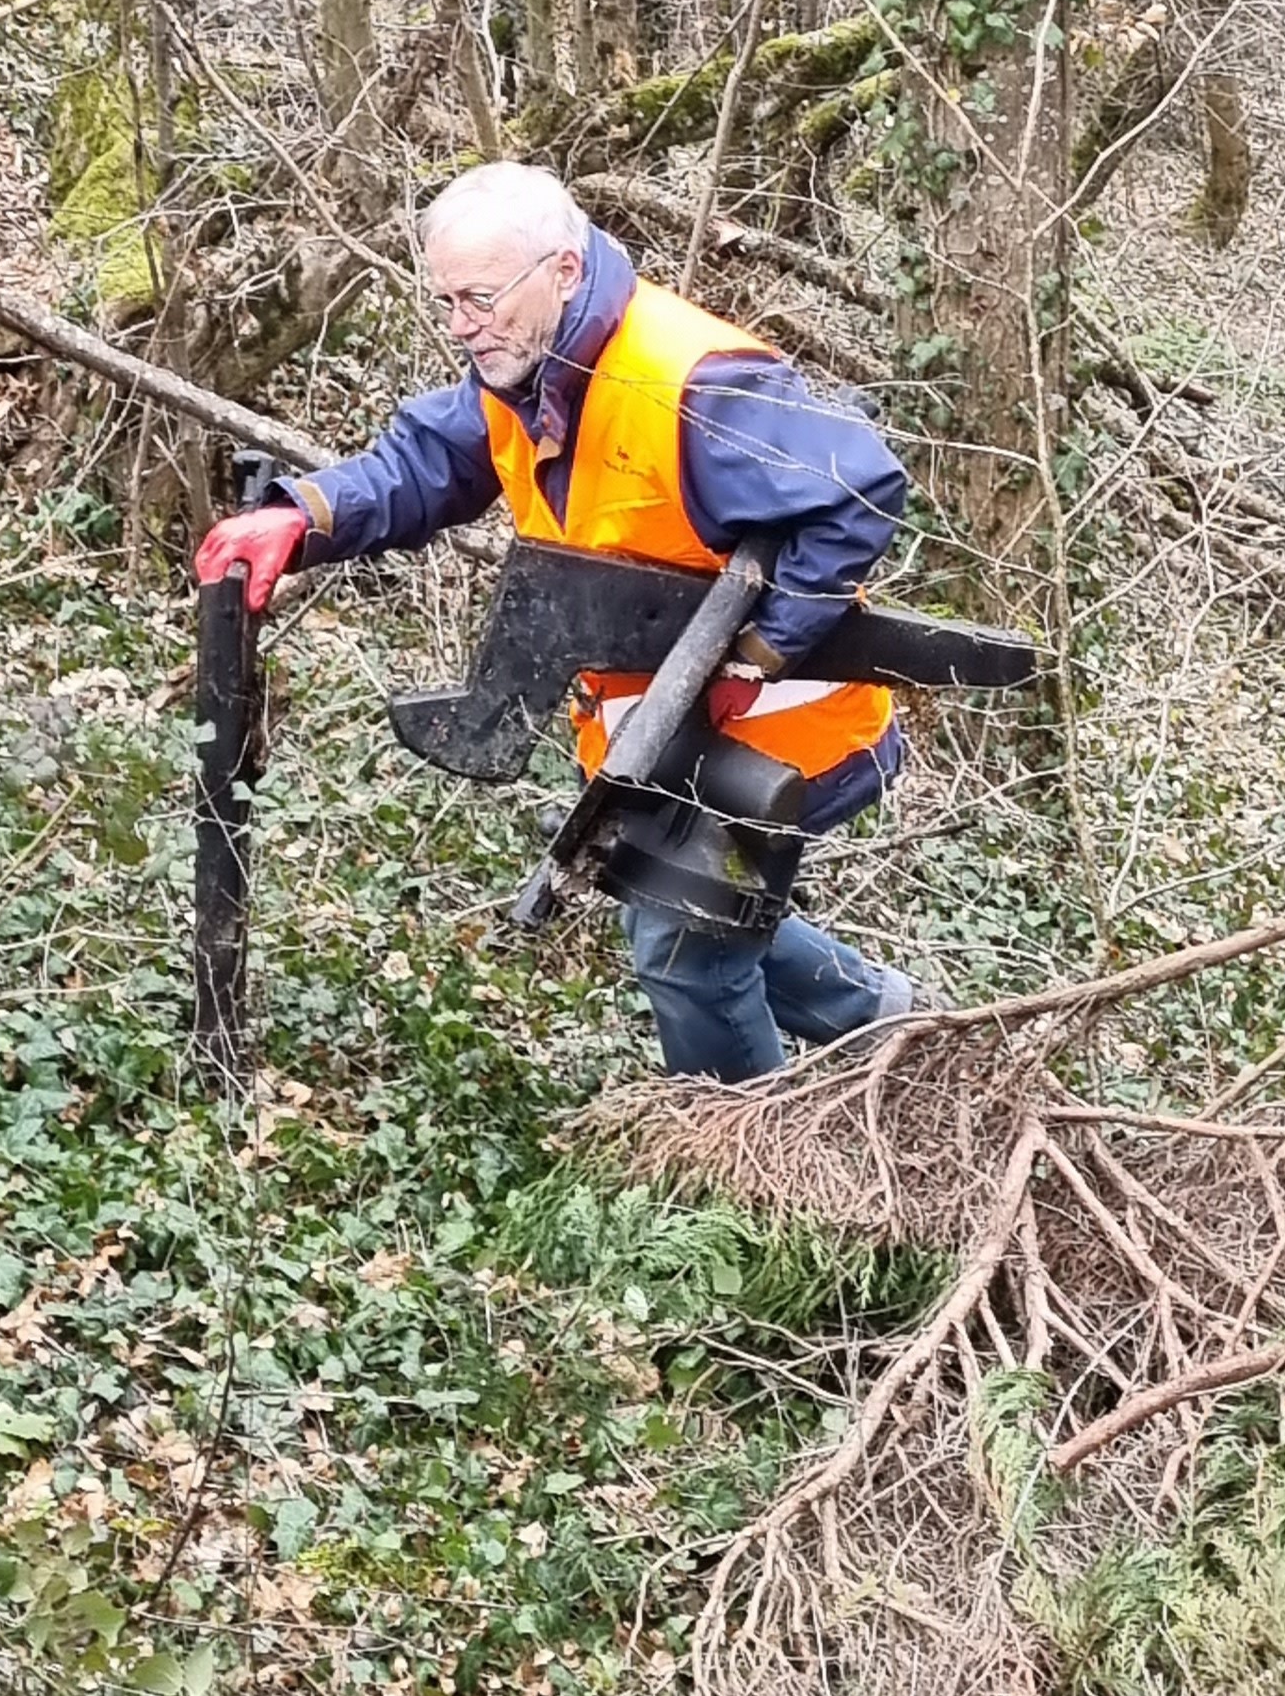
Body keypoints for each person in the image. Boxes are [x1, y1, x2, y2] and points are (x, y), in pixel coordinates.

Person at [195, 162, 916, 1082]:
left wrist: (765, 649)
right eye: (446, 300)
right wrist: (305, 515)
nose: (462, 324)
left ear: (564, 273)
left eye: (481, 298)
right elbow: (428, 463)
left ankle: (754, 1174)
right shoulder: (526, 373)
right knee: (682, 905)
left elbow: (858, 490)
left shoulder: (692, 382)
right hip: (653, 738)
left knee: (685, 954)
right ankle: (902, 1028)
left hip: (782, 740)